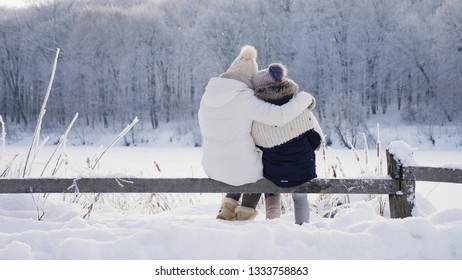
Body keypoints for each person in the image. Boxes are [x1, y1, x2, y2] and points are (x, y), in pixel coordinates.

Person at [198, 45, 315, 221]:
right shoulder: (245, 98)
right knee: (263, 166)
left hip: (211, 167)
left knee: (244, 159)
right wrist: (305, 99)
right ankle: (246, 211)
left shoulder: (207, 97)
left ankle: (229, 206)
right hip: (241, 171)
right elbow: (279, 116)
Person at [251, 63, 325, 225]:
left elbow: (255, 145)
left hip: (273, 171)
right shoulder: (299, 108)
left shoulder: (258, 115)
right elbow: (315, 140)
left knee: (272, 194)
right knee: (300, 198)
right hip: (302, 168)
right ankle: (302, 228)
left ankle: (273, 229)